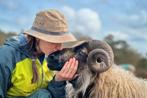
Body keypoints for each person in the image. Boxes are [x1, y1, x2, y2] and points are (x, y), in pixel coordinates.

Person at [0, 9, 78, 98]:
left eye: (61, 41)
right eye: (54, 41)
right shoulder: (7, 56)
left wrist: (59, 81)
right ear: (37, 37)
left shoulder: (49, 56)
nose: (59, 47)